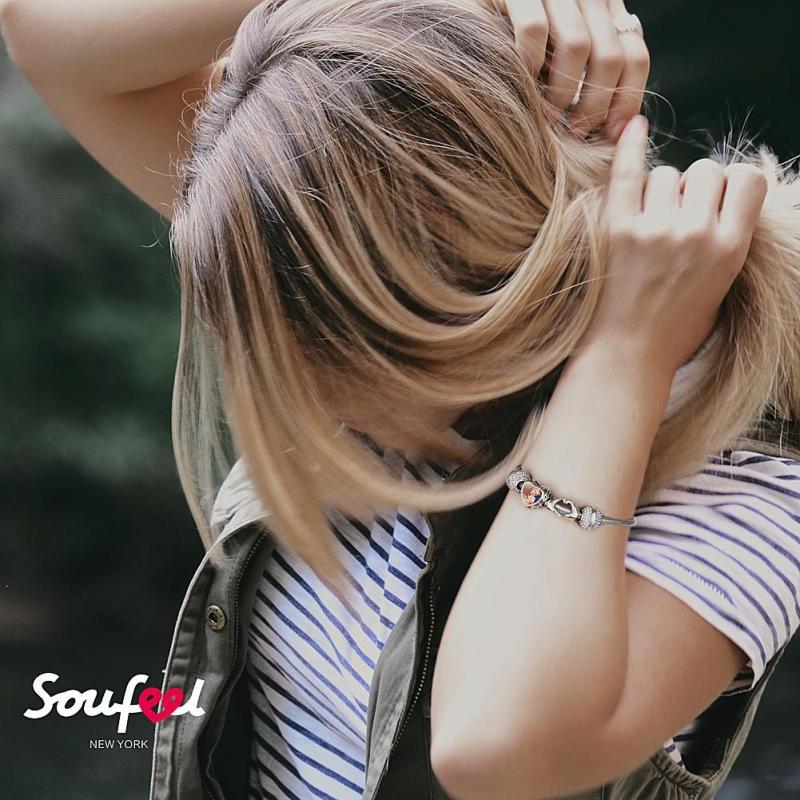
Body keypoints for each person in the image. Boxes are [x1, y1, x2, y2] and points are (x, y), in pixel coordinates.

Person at [3, 1, 799, 799]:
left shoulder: (738, 478)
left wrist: (621, 357)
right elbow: (43, 34)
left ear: (419, 306)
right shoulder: (304, 246)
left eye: (308, 355)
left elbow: (494, 750)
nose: (290, 393)